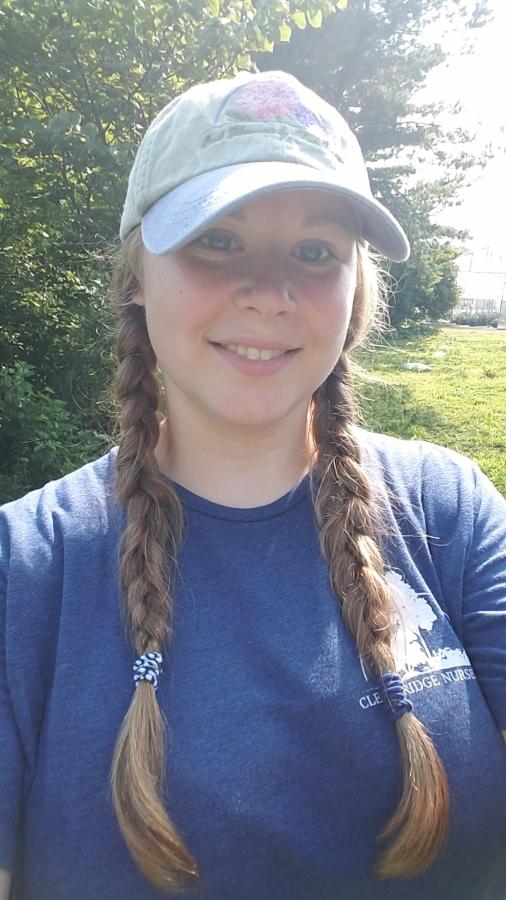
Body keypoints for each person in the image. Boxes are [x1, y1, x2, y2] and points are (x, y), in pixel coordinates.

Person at [0, 70, 505, 900]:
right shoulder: (25, 567)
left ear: (356, 294)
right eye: (218, 240)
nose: (271, 294)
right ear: (136, 274)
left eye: (315, 252)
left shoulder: (453, 514)